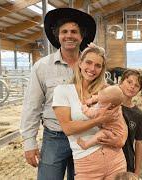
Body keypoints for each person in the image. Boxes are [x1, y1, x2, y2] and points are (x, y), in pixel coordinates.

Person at [20, 8, 96, 180]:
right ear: (57, 36)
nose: (69, 36)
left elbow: (105, 96)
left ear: (81, 36)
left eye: (74, 32)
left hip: (85, 136)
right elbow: (31, 106)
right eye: (64, 31)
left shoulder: (92, 66)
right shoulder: (42, 67)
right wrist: (29, 142)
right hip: (54, 136)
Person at [52, 43, 127, 179]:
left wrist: (119, 141)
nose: (92, 68)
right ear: (80, 63)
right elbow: (68, 128)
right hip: (87, 163)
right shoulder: (62, 91)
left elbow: (121, 127)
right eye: (88, 62)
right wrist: (99, 120)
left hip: (116, 159)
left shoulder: (107, 92)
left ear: (102, 69)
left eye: (98, 65)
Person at [98, 69, 142, 177]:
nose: (132, 86)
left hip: (126, 161)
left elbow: (139, 143)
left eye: (137, 85)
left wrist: (137, 172)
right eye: (129, 82)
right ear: (121, 82)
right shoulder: (107, 104)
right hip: (102, 158)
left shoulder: (138, 114)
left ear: (139, 90)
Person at [77, 85, 127, 150]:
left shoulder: (107, 111)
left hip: (113, 133)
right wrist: (92, 99)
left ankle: (86, 144)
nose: (99, 103)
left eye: (101, 102)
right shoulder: (114, 104)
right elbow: (101, 96)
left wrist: (84, 107)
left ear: (111, 106)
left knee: (102, 133)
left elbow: (91, 113)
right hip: (120, 130)